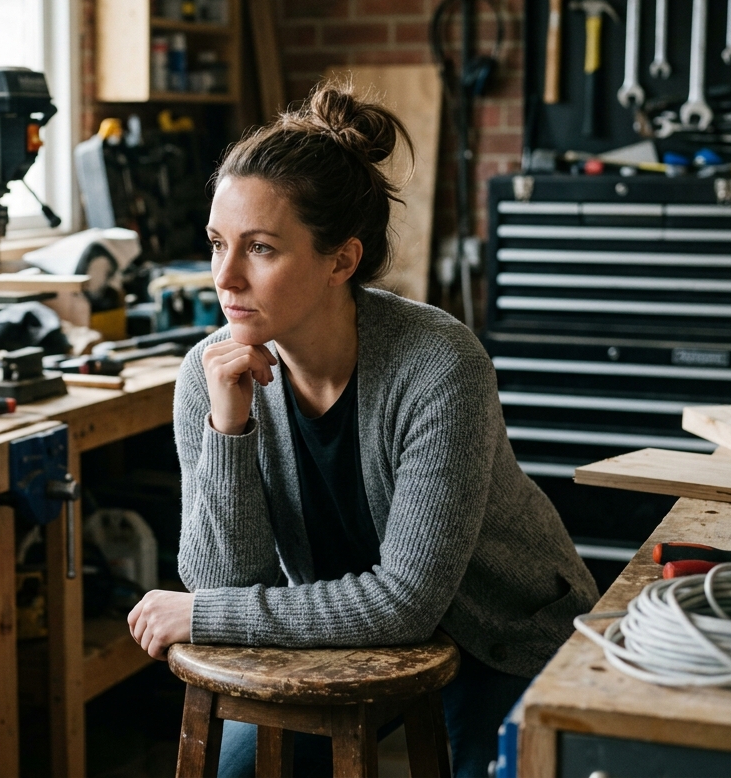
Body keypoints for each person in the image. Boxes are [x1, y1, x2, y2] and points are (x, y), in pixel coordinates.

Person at [127, 80, 599, 777]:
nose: (224, 277)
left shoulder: (439, 364)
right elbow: (225, 579)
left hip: (500, 632)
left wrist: (201, 617)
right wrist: (229, 432)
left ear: (340, 261)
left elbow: (405, 601)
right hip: (337, 632)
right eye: (217, 243)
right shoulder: (210, 371)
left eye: (259, 248)